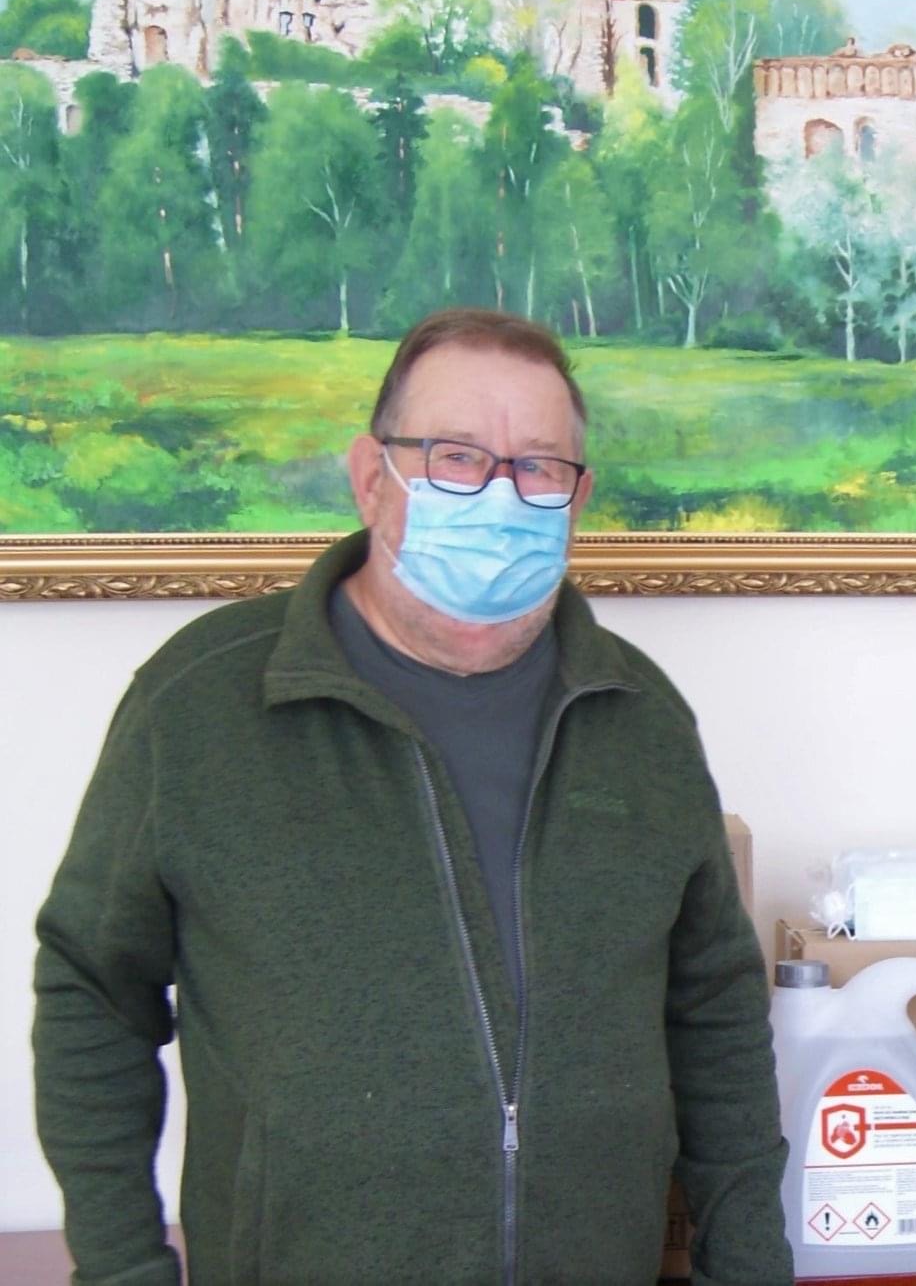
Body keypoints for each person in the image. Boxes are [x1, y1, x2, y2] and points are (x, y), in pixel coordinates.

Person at [34, 309, 791, 1285]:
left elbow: (716, 1016)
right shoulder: (201, 704)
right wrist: (121, 1268)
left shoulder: (641, 718)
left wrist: (750, 1266)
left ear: (576, 497)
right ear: (370, 477)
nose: (500, 494)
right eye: (455, 456)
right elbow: (93, 992)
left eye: (537, 466)